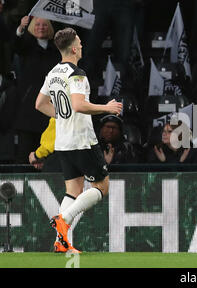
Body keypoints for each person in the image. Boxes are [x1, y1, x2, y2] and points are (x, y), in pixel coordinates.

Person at [35, 27, 123, 253]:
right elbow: (78, 105)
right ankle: (64, 218)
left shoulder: (53, 73)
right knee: (101, 186)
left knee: (72, 190)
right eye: (80, 43)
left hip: (63, 142)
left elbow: (40, 104)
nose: (82, 46)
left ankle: (61, 242)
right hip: (82, 140)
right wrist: (107, 107)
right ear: (74, 48)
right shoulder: (77, 74)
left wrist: (61, 116)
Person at [13, 16, 59, 164]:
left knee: (49, 156)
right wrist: (21, 28)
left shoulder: (56, 49)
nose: (41, 27)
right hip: (29, 109)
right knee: (24, 155)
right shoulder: (27, 46)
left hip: (50, 109)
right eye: (37, 24)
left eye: (45, 24)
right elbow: (16, 45)